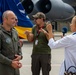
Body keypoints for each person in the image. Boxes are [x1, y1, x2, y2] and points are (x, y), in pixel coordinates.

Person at [0, 10, 23, 75]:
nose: (14, 20)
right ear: (5, 19)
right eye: (12, 18)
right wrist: (10, 62)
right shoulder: (1, 33)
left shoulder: (15, 32)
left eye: (15, 18)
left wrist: (20, 56)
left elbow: (18, 46)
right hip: (4, 70)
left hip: (15, 70)